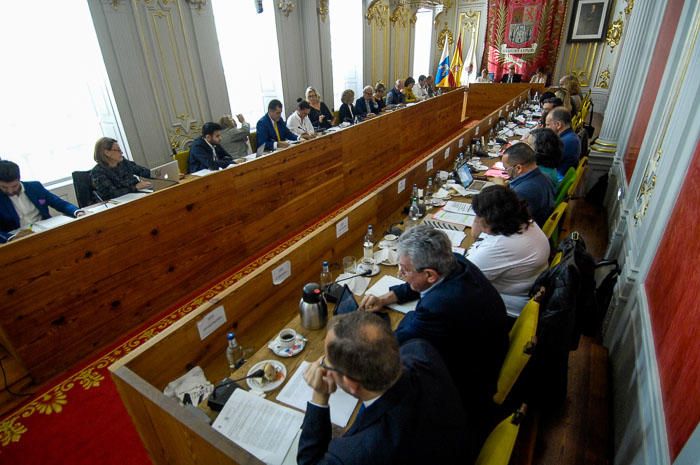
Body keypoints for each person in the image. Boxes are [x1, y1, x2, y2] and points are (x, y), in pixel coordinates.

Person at [359, 225, 508, 438]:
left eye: (404, 270)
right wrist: (386, 298)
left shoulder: (439, 306)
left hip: (469, 388)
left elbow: (395, 344)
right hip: (487, 350)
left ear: (430, 274)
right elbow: (419, 284)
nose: (400, 275)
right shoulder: (454, 260)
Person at [298, 311, 473, 465]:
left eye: (326, 363)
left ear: (351, 383)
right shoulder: (421, 351)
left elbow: (309, 461)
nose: (321, 364)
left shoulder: (355, 454)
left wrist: (320, 397)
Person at [467, 185, 550, 317]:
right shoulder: (526, 222)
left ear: (490, 221)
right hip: (524, 295)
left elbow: (461, 280)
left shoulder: (499, 247)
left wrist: (476, 231)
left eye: (478, 216)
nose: (476, 220)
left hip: (504, 312)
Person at [0, 160, 83, 243]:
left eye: (14, 186)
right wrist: (11, 238)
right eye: (4, 187)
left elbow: (60, 203)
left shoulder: (35, 187)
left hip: (45, 231)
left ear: (19, 178)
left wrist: (77, 212)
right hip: (17, 239)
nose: (10, 191)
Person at [502, 142, 555, 227]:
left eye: (506, 169)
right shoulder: (545, 176)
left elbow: (507, 222)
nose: (505, 172)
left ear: (518, 168)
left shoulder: (522, 192)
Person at [546, 107, 581, 176]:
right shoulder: (570, 136)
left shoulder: (564, 142)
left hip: (556, 178)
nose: (545, 128)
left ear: (558, 125)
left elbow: (543, 162)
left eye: (548, 125)